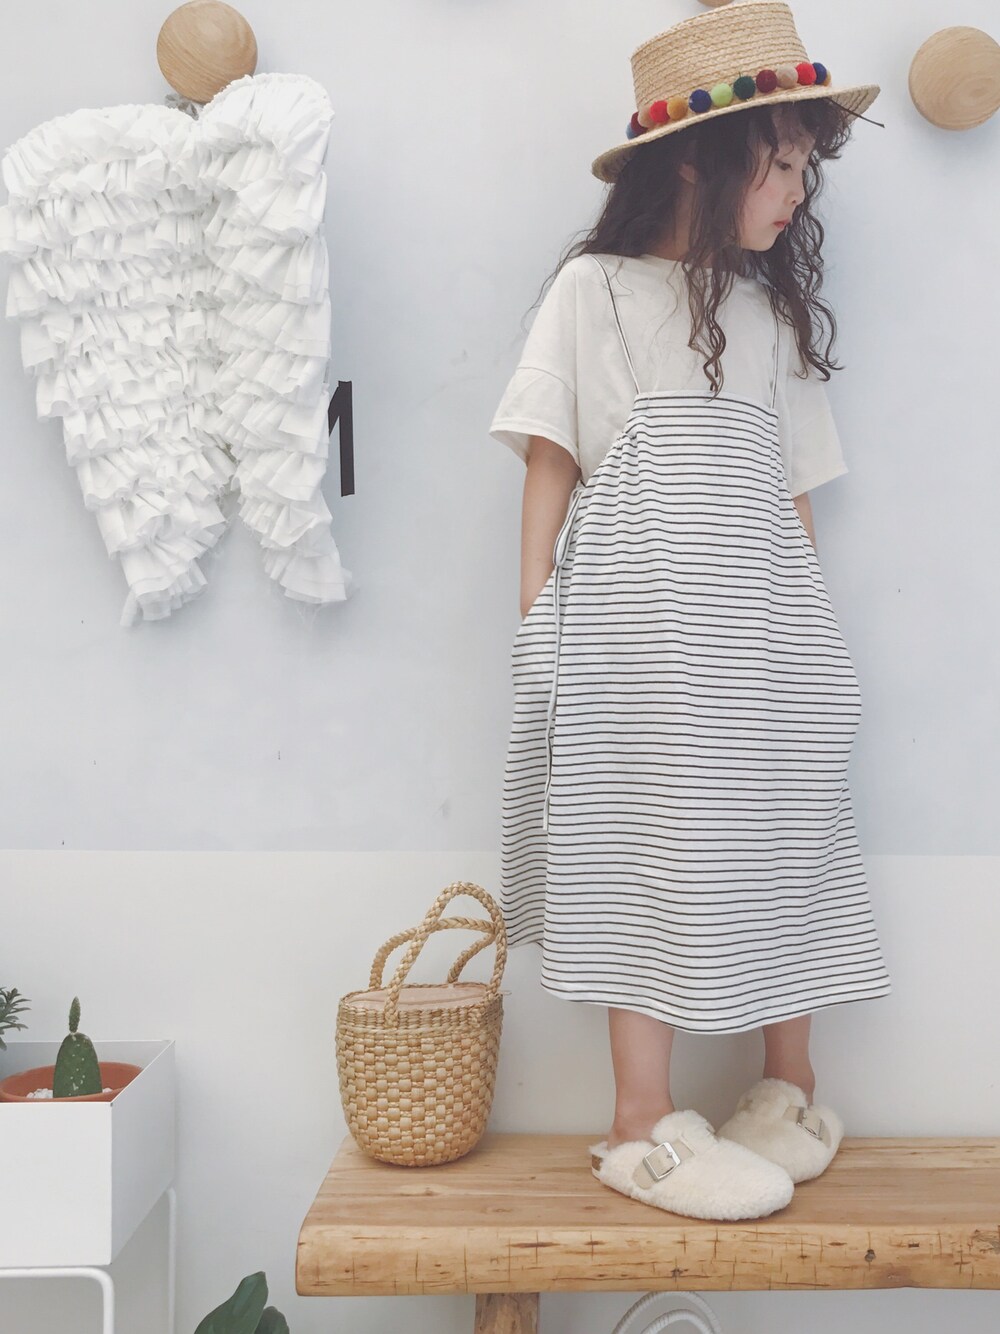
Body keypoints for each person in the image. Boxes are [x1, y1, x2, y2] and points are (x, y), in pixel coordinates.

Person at [488, 0, 892, 1221]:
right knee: (643, 843)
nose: (796, 196)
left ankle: (787, 1086)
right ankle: (637, 1120)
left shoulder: (768, 316)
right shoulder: (593, 294)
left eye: (806, 170)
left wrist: (810, 639)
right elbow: (551, 460)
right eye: (781, 166)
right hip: (638, 636)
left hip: (762, 633)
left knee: (784, 829)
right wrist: (536, 622)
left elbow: (792, 488)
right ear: (699, 162)